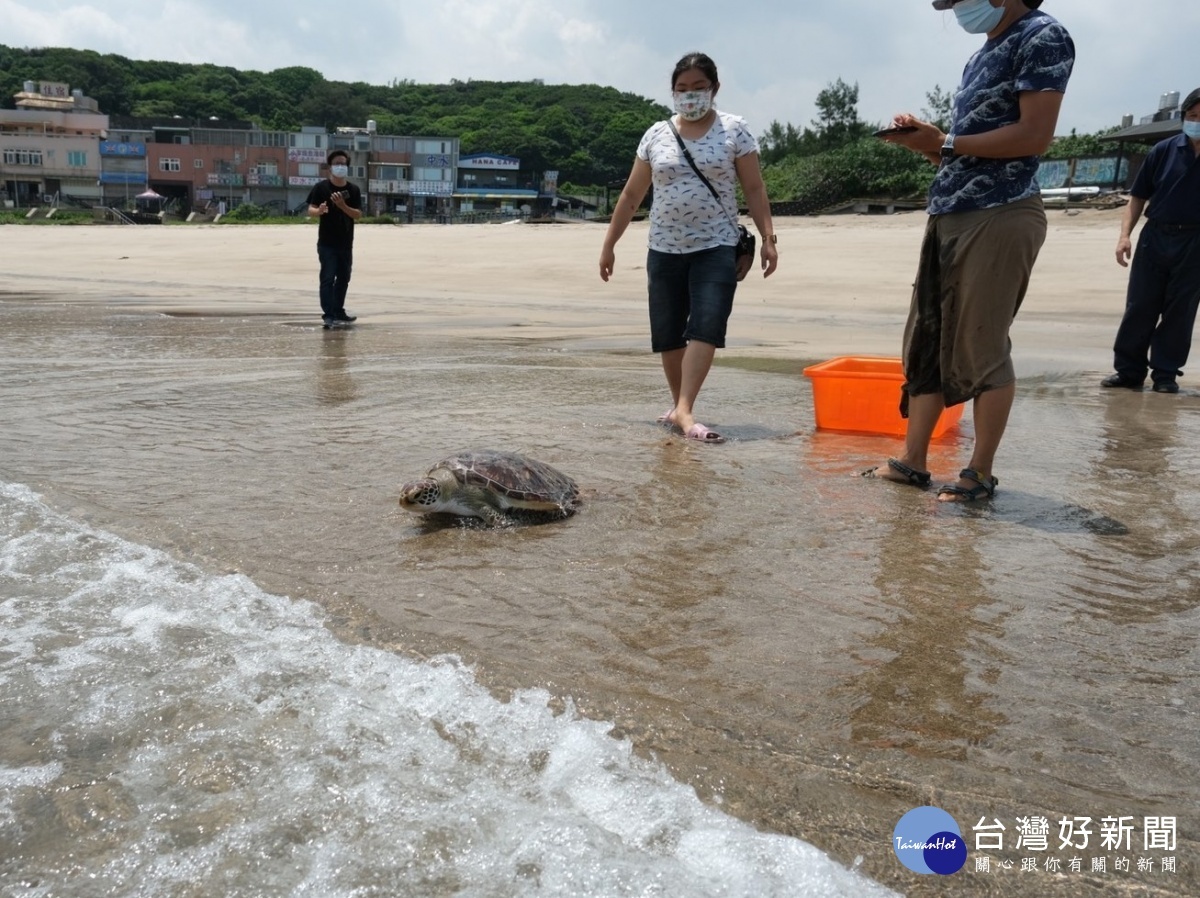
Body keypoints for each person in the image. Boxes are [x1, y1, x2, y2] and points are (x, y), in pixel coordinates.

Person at [864, 0, 1074, 501]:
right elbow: (965, 147)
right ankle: (913, 463)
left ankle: (978, 473)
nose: (954, 7)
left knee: (980, 344)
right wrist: (929, 144)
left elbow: (1034, 134)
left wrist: (949, 141)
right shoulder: (983, 53)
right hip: (951, 213)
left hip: (1000, 212)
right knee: (927, 340)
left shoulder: (1042, 35)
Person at [599, 51, 778, 444]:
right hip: (663, 247)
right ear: (672, 92)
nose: (690, 96)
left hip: (716, 244)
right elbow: (631, 195)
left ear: (715, 89)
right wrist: (609, 244)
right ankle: (680, 406)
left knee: (707, 323)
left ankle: (684, 408)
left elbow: (754, 188)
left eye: (699, 88)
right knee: (668, 331)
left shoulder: (735, 130)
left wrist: (768, 239)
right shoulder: (656, 134)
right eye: (682, 89)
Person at [1102, 87, 1200, 395]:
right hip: (1155, 236)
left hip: (1195, 241)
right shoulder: (1163, 150)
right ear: (1184, 117)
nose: (1196, 121)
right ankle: (1129, 371)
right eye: (1193, 116)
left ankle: (1165, 374)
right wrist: (1123, 237)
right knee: (1140, 305)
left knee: (1180, 310)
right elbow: (1138, 197)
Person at [307, 149, 363, 328]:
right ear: (330, 167)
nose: (340, 166)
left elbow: (358, 214)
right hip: (326, 242)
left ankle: (339, 310)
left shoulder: (353, 190)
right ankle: (328, 315)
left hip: (346, 242)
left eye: (343, 164)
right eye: (337, 163)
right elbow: (311, 210)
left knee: (344, 277)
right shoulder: (321, 188)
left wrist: (342, 205)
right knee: (328, 278)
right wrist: (320, 211)